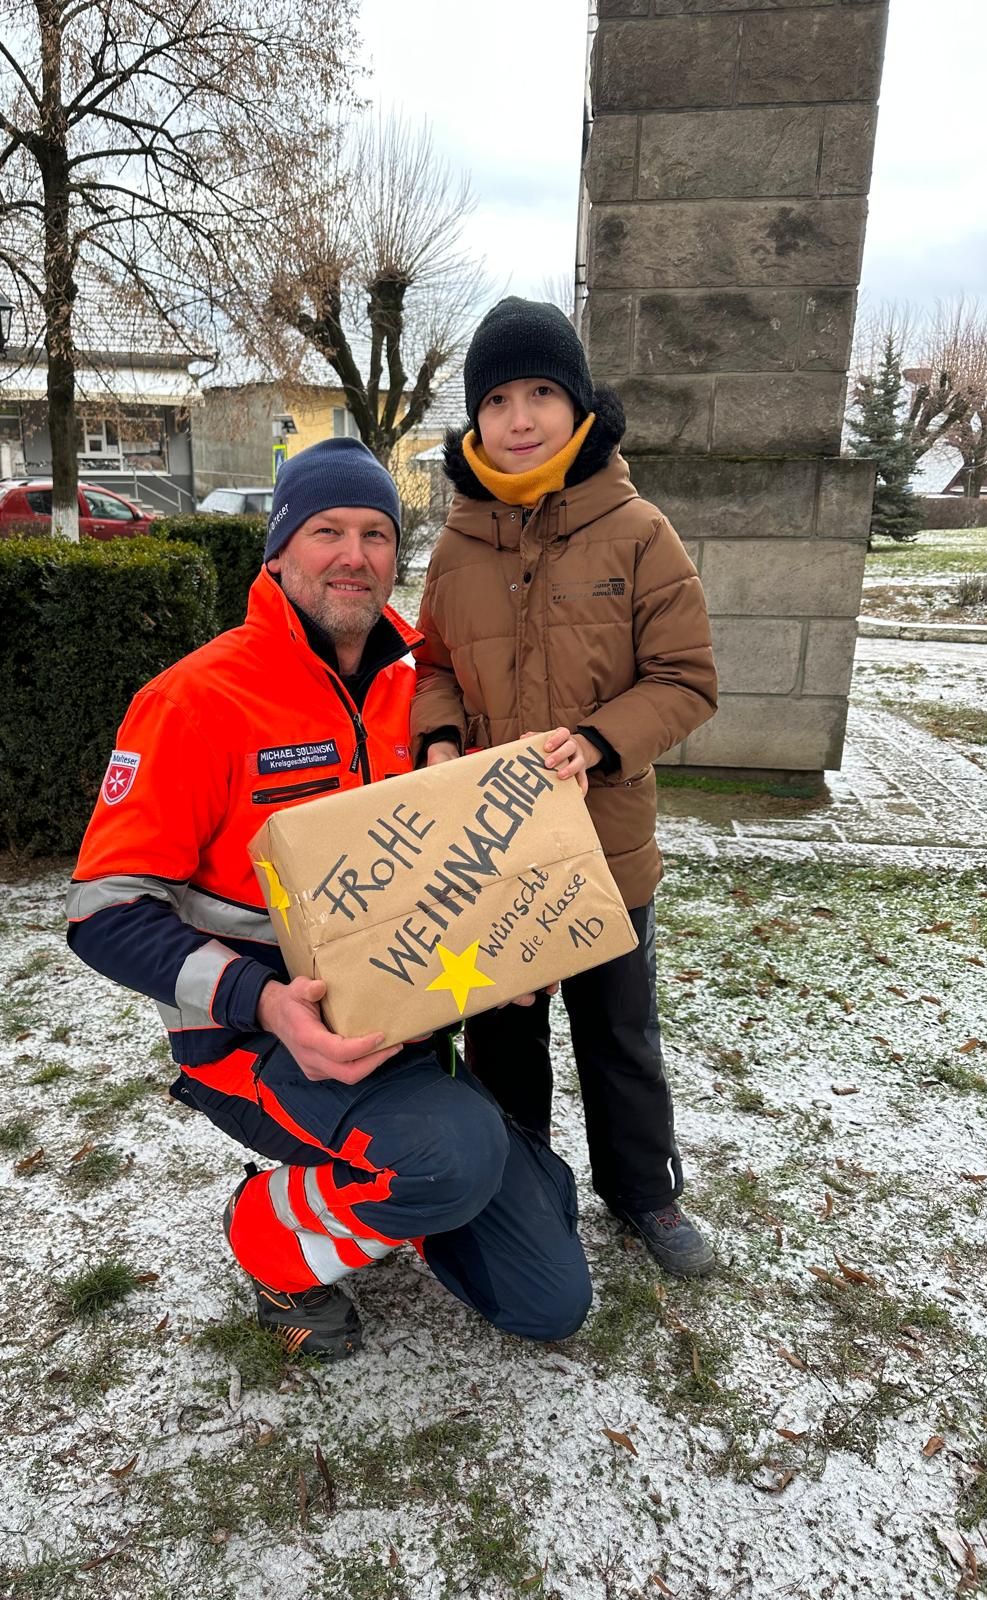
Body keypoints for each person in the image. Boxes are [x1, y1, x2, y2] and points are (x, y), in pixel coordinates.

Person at [66, 437, 592, 1360]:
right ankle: (269, 1233)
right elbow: (101, 914)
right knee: (451, 1158)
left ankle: (406, 1178)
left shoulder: (423, 694)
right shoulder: (194, 700)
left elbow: (469, 863)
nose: (355, 555)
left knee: (548, 1297)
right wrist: (263, 1002)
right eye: (326, 531)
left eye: (377, 534)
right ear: (277, 551)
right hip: (254, 1044)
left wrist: (512, 953)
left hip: (403, 1031)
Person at [412, 297, 719, 1278]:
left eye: (541, 390)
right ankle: (519, 1182)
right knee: (505, 1040)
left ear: (579, 402)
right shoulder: (457, 545)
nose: (520, 415)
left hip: (607, 849)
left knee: (619, 1032)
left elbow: (686, 677)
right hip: (497, 854)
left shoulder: (638, 532)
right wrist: (440, 735)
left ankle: (643, 1192)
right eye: (497, 397)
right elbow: (432, 662)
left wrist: (598, 739)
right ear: (475, 420)